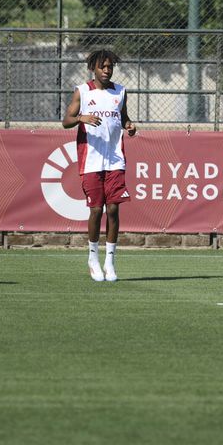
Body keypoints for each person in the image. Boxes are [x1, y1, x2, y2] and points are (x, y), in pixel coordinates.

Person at [62, 49, 136, 282]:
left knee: (113, 209)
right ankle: (93, 258)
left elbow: (123, 117)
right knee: (96, 210)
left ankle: (110, 261)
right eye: (103, 66)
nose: (107, 70)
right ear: (93, 67)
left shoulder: (120, 91)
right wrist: (81, 118)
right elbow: (66, 121)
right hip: (91, 160)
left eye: (110, 66)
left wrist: (130, 126)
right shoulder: (82, 92)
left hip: (115, 159)